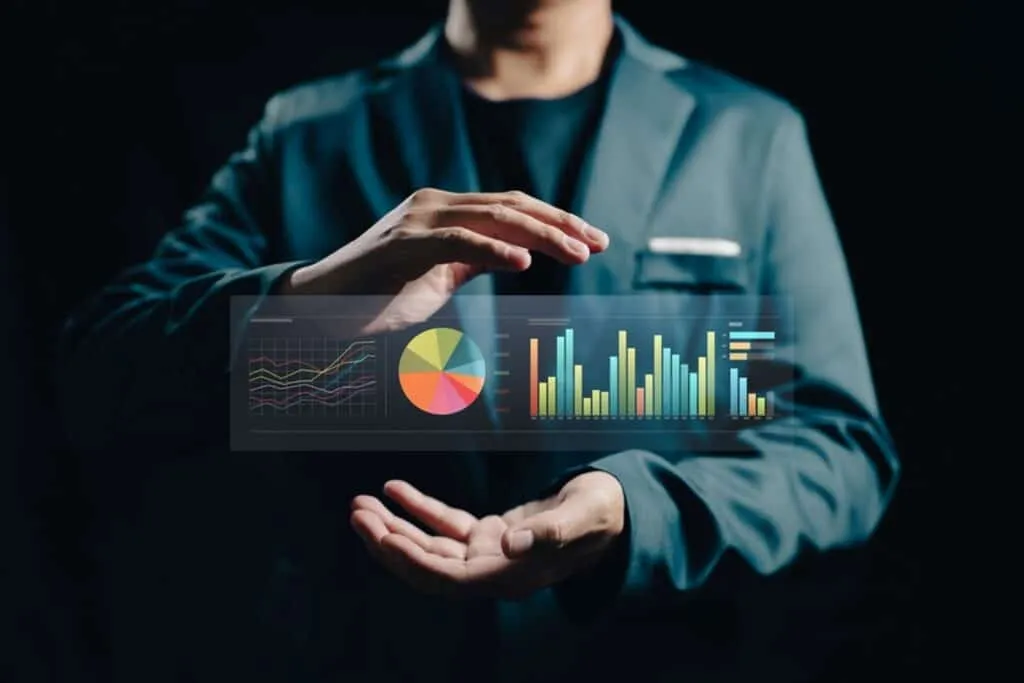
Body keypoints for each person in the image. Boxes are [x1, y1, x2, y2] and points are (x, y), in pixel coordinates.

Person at [58, 0, 900, 681]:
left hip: (657, 654)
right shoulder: (309, 133)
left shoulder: (747, 135)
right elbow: (100, 375)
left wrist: (631, 508)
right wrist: (314, 293)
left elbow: (839, 448)